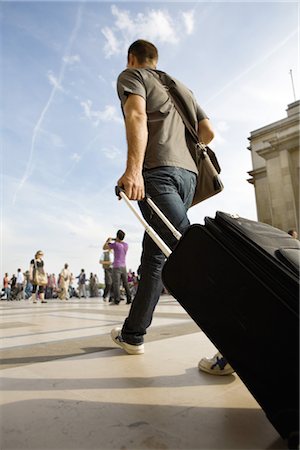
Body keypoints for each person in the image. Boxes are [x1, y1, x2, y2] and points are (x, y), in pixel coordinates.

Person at [110, 39, 214, 354]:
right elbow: (207, 132)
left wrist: (133, 171)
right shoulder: (183, 87)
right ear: (155, 59)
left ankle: (245, 342)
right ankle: (133, 335)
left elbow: (137, 116)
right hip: (189, 177)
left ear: (132, 58)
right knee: (155, 257)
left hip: (158, 172)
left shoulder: (132, 77)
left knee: (188, 251)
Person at [103, 230, 132, 305]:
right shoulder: (126, 245)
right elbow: (120, 242)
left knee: (116, 283)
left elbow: (104, 247)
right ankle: (129, 298)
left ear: (117, 236)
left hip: (116, 266)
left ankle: (117, 299)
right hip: (124, 266)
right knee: (125, 283)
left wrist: (108, 240)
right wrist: (116, 239)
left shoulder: (115, 245)